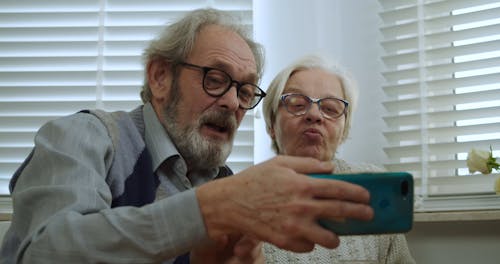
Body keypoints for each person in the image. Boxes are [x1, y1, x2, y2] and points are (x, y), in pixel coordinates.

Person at [0, 9, 375, 264]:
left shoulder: (224, 183)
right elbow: (43, 250)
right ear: (160, 77)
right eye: (215, 79)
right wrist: (209, 210)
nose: (232, 102)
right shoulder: (86, 137)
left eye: (245, 92)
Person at [261, 54, 416, 263]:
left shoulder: (374, 194)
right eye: (297, 104)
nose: (314, 115)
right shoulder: (246, 197)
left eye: (330, 108)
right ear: (271, 125)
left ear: (344, 131)